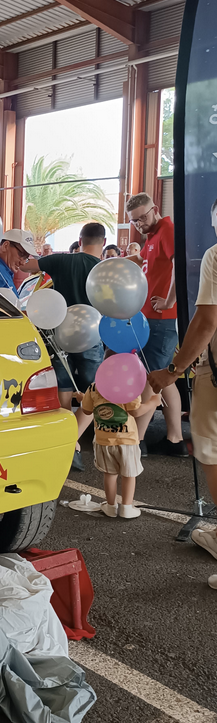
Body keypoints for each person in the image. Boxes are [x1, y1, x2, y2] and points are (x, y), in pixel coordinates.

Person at [149, 198, 217, 570]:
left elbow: (206, 322)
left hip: (214, 377)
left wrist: (172, 371)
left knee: (210, 452)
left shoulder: (215, 256)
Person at [23, 221, 107, 470]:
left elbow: (27, 265)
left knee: (63, 385)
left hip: (59, 332)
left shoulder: (61, 260)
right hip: (92, 335)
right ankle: (74, 440)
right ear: (103, 243)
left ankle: (67, 440)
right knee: (95, 391)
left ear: (80, 241)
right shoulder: (104, 269)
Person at [125, 194, 186, 457]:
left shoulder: (167, 230)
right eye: (135, 221)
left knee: (151, 377)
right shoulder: (152, 236)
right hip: (150, 317)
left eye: (143, 217)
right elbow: (146, 263)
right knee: (163, 376)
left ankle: (137, 440)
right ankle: (175, 439)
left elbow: (179, 265)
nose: (140, 223)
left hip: (162, 319)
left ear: (155, 209)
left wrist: (169, 300)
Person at [80, 378, 161, 518]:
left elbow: (86, 411)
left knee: (110, 474)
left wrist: (82, 399)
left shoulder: (94, 387)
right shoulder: (128, 387)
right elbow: (136, 411)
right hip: (127, 440)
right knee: (129, 474)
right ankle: (127, 508)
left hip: (103, 440)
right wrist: (153, 402)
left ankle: (111, 506)